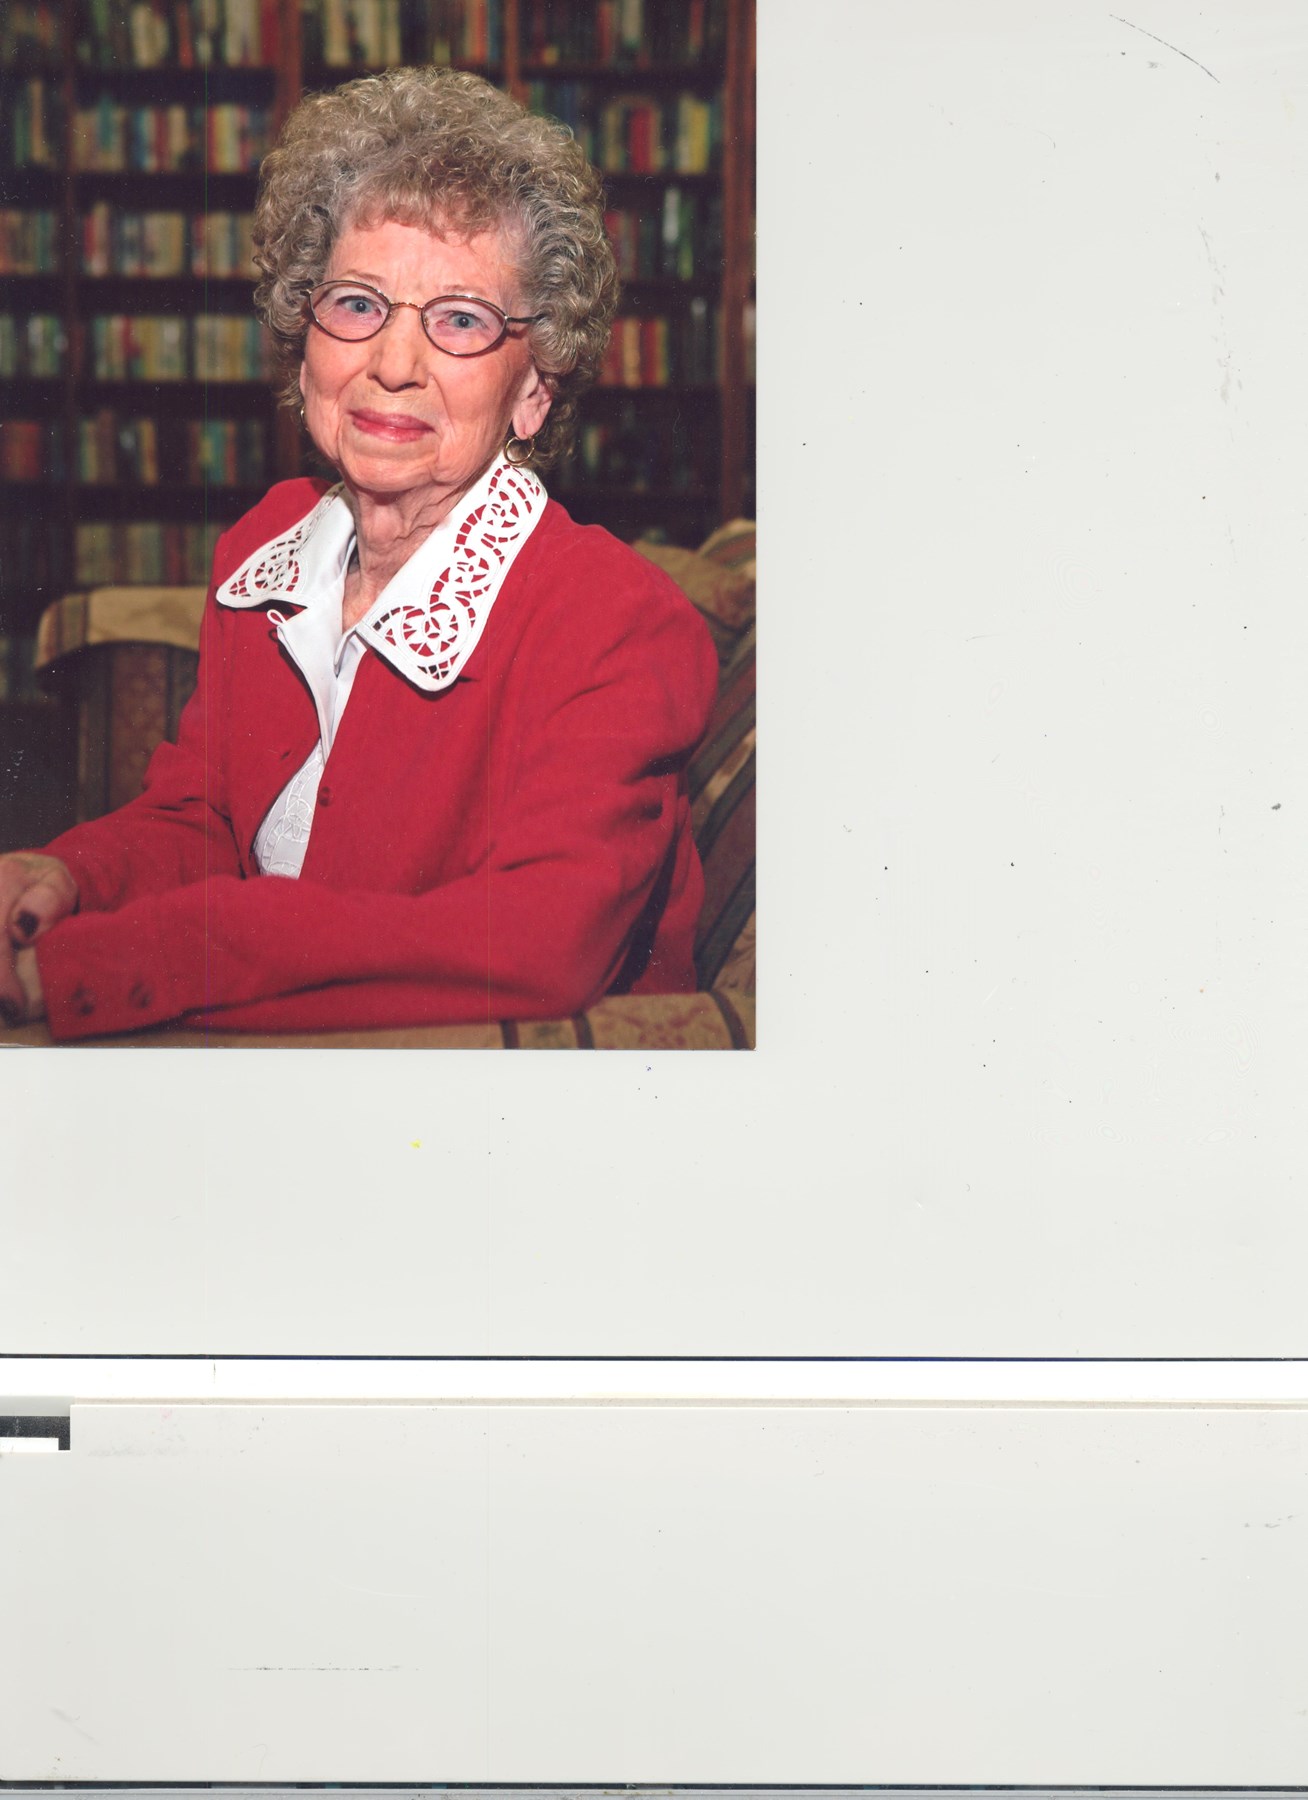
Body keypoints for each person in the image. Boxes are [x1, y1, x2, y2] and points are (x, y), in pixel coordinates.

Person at [0, 67, 717, 1042]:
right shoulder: (265, 548)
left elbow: (535, 945)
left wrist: (164, 952)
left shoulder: (617, 623)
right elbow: (205, 821)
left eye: (460, 320)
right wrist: (74, 876)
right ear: (305, 349)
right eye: (357, 304)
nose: (392, 364)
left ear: (533, 390)